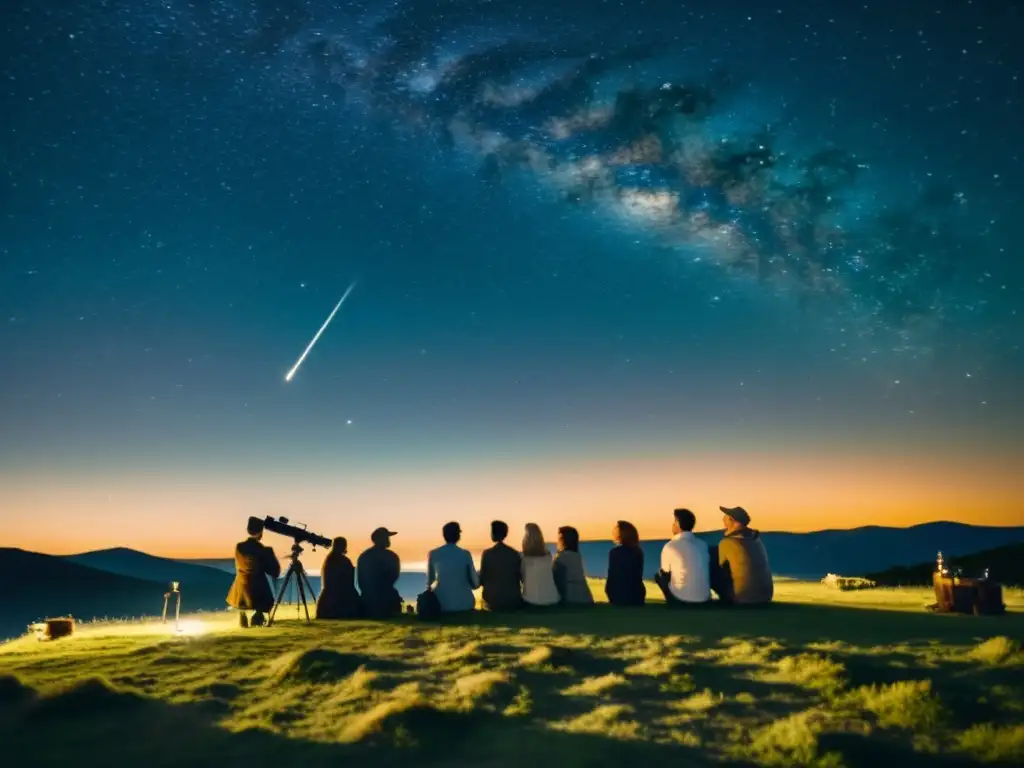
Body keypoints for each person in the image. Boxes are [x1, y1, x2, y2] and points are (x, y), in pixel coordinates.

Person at [226, 516, 282, 628]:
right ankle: (258, 616)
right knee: (262, 590)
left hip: (241, 589)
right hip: (258, 591)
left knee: (249, 586)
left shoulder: (239, 547)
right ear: (261, 532)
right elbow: (275, 572)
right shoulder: (264, 551)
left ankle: (244, 615)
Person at [711, 506, 774, 605]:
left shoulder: (727, 542)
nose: (723, 520)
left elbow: (722, 570)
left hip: (742, 599)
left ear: (731, 520)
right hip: (765, 597)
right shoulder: (757, 540)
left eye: (725, 518)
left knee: (709, 555)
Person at [654, 508, 711, 605]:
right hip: (705, 598)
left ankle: (672, 602)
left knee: (659, 575)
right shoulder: (702, 544)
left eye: (674, 522)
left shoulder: (670, 546)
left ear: (678, 524)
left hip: (680, 599)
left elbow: (665, 573)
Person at [426, 521, 480, 613]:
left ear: (444, 535)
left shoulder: (433, 553)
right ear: (458, 536)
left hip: (441, 603)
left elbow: (430, 581)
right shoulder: (465, 554)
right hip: (465, 604)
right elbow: (474, 584)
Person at [356, 527, 404, 618]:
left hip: (367, 600)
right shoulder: (391, 556)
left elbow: (361, 580)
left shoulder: (364, 556)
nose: (388, 540)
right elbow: (394, 576)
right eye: (386, 537)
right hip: (387, 599)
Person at [478, 520, 523, 611]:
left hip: (492, 601)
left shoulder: (487, 554)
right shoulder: (515, 553)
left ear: (493, 534)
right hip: (512, 599)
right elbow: (519, 577)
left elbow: (482, 580)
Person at [316, 536, 360, 620]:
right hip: (341, 598)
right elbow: (349, 580)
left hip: (330, 598)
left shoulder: (330, 559)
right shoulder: (342, 561)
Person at [605, 520, 646, 606]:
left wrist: (610, 593)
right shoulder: (638, 552)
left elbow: (612, 576)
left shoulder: (615, 552)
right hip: (637, 596)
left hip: (619, 596)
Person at [520, 523, 560, 607]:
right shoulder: (548, 556)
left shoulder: (524, 558)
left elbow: (522, 579)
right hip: (552, 599)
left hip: (530, 600)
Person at [553, 526, 594, 605]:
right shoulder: (577, 555)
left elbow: (556, 579)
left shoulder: (561, 557)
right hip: (585, 596)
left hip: (571, 597)